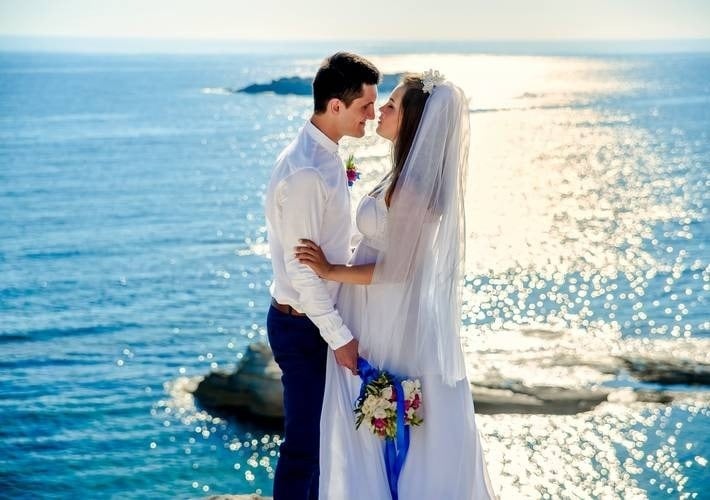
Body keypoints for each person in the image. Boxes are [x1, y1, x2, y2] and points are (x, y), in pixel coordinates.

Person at [295, 72, 496, 498]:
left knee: (385, 418)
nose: (380, 111)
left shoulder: (415, 187)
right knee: (366, 419)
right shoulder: (400, 176)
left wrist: (331, 271)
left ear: (411, 122)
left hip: (388, 314)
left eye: (391, 105)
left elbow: (398, 270)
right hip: (375, 309)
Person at [263, 52, 379, 500]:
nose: (372, 114)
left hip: (312, 321)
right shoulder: (309, 171)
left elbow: (329, 246)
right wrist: (340, 337)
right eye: (364, 106)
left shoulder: (325, 155)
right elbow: (301, 270)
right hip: (302, 324)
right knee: (304, 450)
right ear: (335, 106)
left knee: (324, 445)